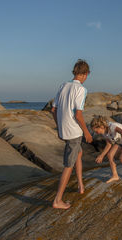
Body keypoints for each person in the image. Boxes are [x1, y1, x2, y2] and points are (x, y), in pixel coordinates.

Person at [51, 59, 93, 209]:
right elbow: (78, 115)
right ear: (85, 74)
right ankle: (58, 200)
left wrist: (59, 128)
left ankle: (80, 185)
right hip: (74, 132)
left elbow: (54, 110)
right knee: (68, 165)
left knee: (78, 154)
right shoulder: (81, 89)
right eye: (87, 74)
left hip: (64, 130)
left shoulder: (63, 85)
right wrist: (87, 133)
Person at [91, 116, 122, 183]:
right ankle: (115, 175)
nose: (96, 133)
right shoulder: (104, 133)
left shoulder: (112, 126)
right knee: (109, 155)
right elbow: (109, 144)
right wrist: (101, 156)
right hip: (119, 140)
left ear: (101, 126)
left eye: (96, 131)